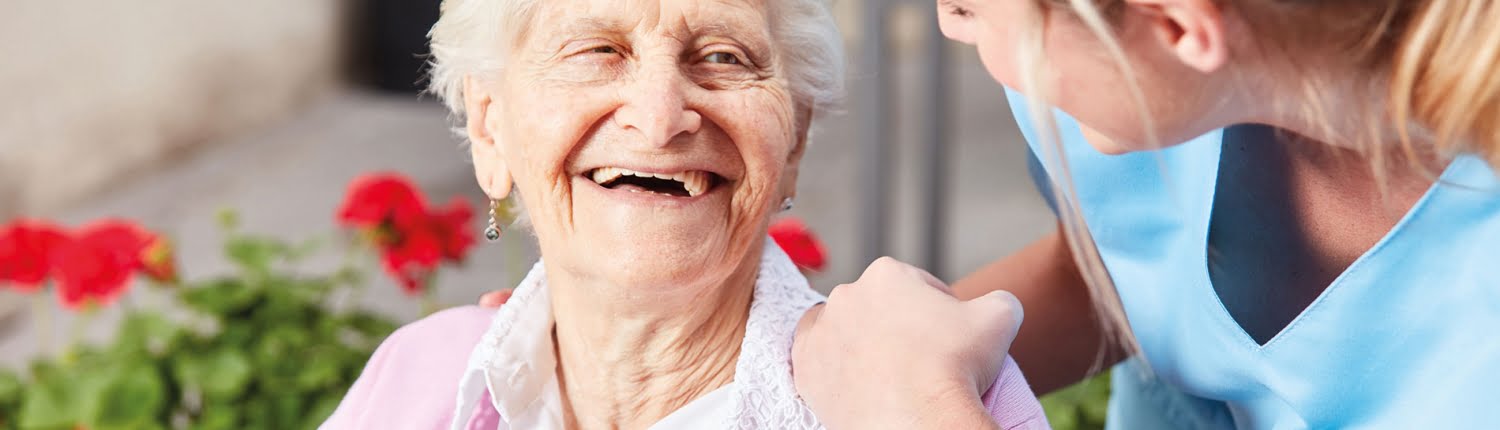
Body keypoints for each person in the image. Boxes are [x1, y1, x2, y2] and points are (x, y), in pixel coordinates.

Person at [321, 0, 1049, 428]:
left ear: (793, 140)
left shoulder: (928, 397)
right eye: (597, 50)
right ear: (490, 130)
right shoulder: (427, 372)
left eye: (726, 58)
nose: (662, 116)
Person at [786, 0, 1500, 428]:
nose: (951, 25)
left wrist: (926, 412)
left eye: (971, 7)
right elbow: (1114, 268)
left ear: (1176, 27)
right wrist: (876, 366)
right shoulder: (1127, 101)